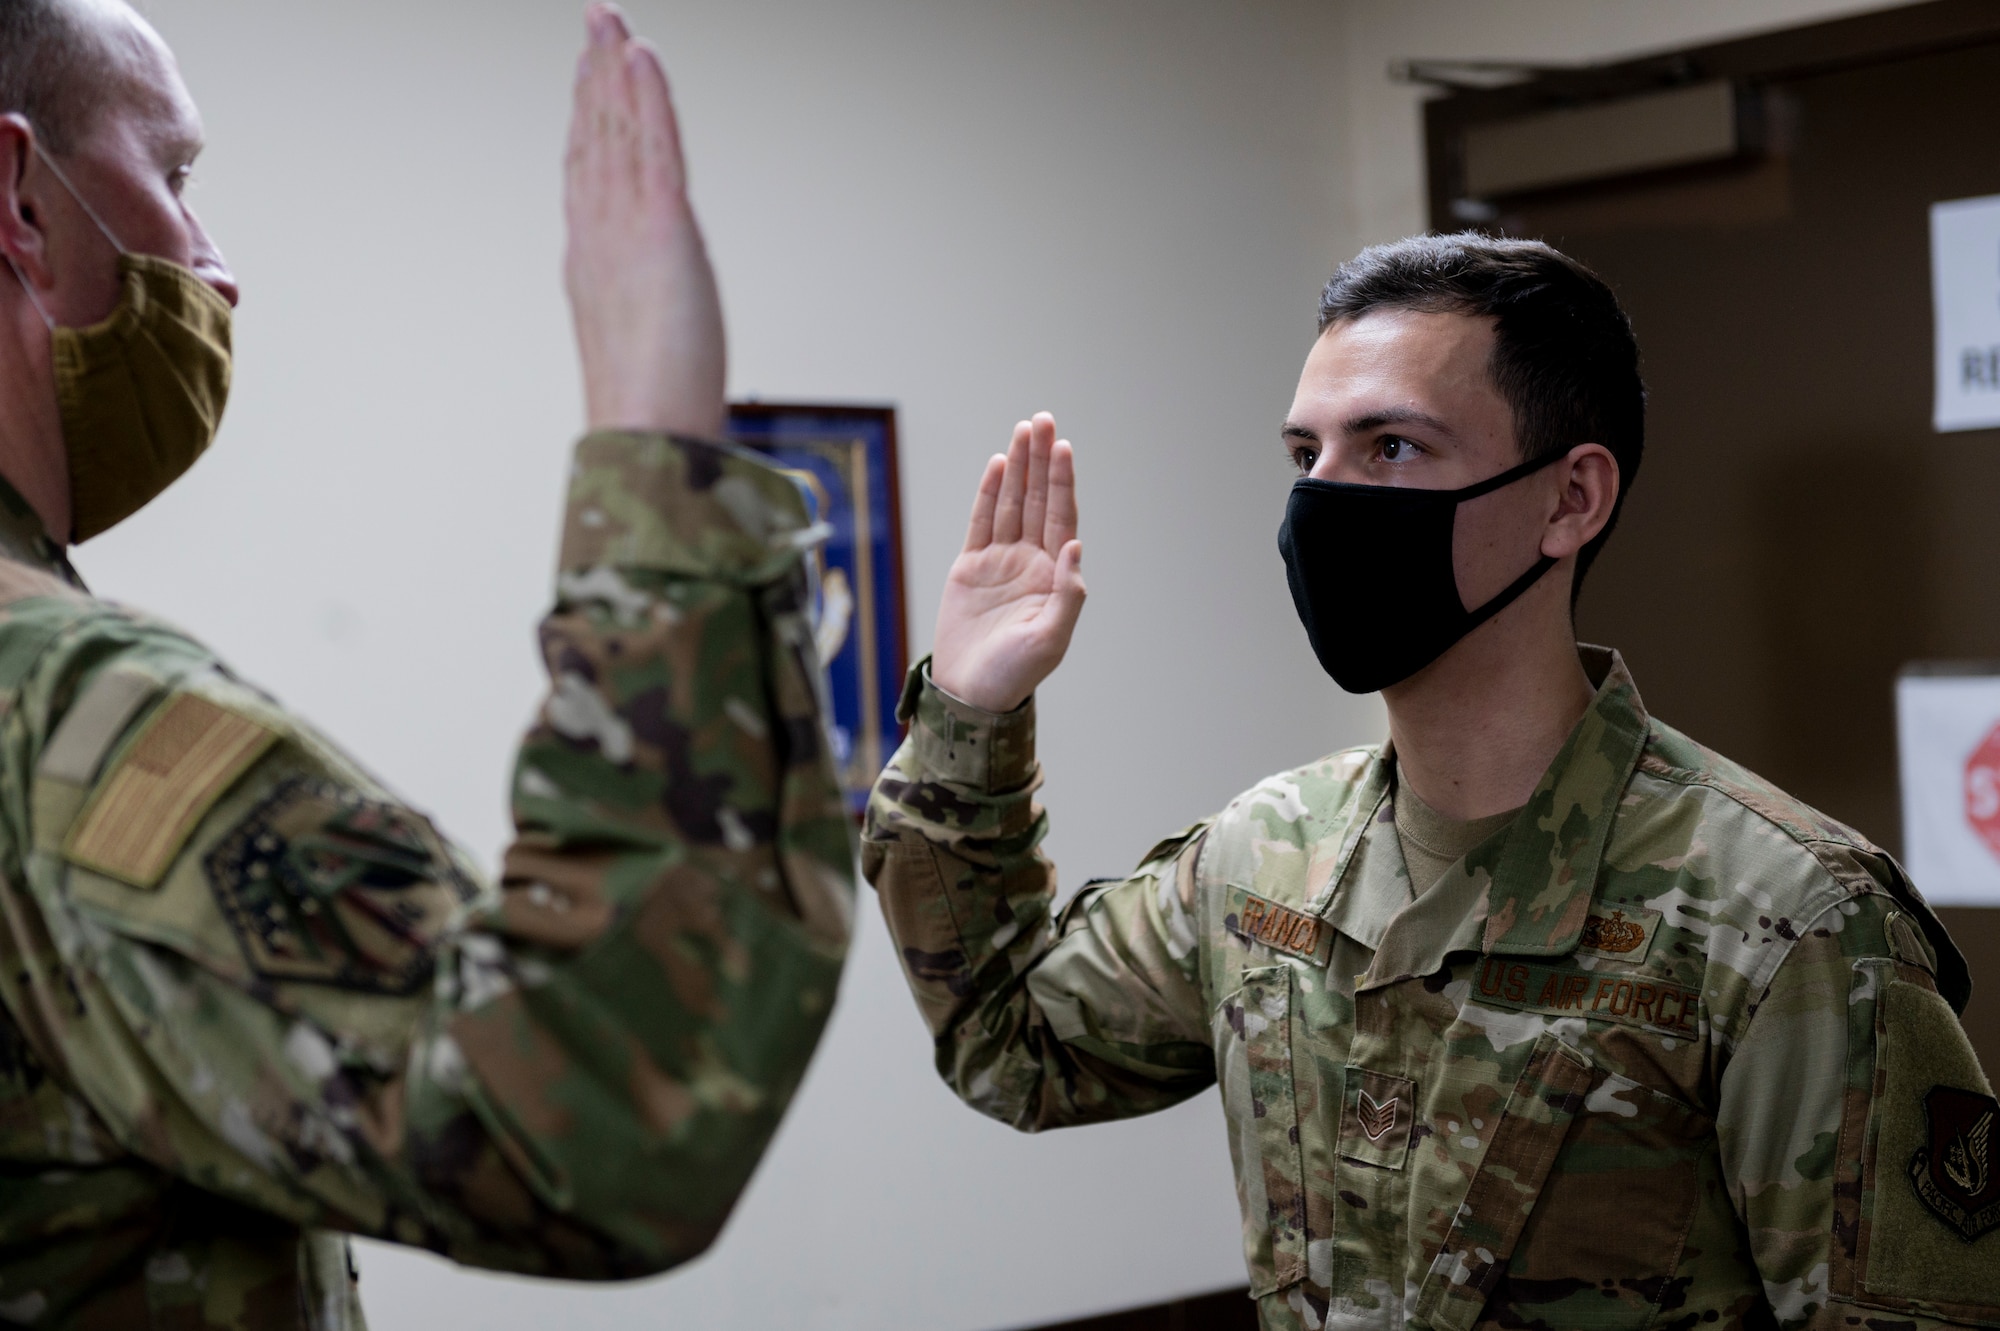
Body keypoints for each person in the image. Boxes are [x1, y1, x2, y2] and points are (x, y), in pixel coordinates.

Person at [866, 234, 1999, 1330]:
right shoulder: (1266, 853)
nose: (1321, 497)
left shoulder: (1784, 917)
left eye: (1391, 447)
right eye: (1304, 453)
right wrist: (971, 713)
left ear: (1569, 500)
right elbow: (1011, 1046)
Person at [0, 0, 853, 1324]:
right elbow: (604, 1102)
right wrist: (657, 436)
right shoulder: (45, 702)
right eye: (172, 176)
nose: (215, 269)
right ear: (19, 196)